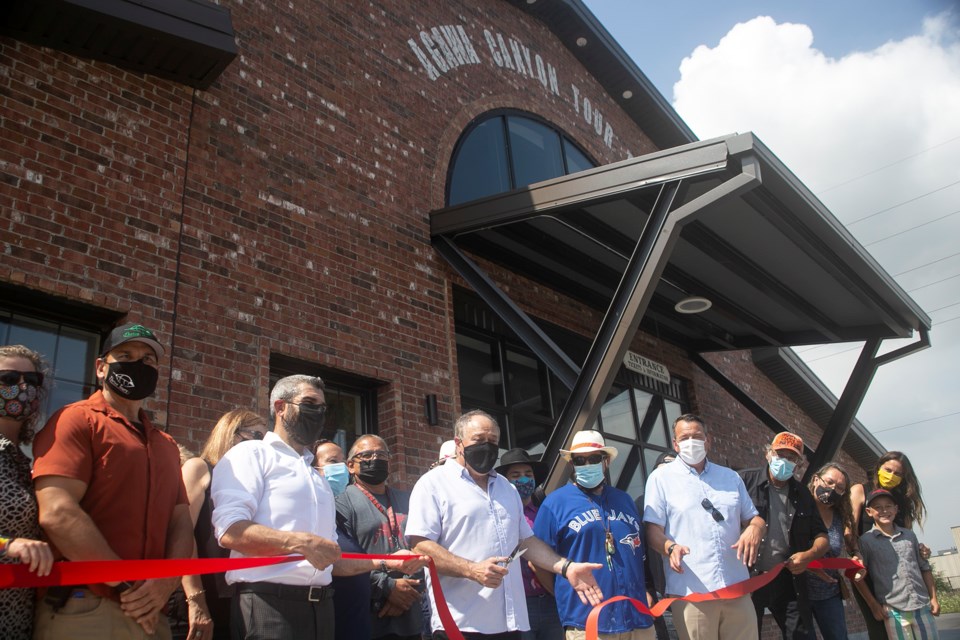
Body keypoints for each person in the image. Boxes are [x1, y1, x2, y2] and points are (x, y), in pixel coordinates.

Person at [210, 374, 426, 640]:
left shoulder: (317, 479)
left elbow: (332, 560)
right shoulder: (251, 454)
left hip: (323, 609)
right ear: (280, 407)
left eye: (323, 407)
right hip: (269, 603)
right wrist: (298, 543)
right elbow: (230, 530)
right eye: (309, 402)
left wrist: (387, 561)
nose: (318, 412)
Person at [33, 322, 194, 639]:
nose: (139, 364)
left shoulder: (166, 444)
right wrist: (123, 583)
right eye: (126, 355)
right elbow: (57, 511)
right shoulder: (75, 420)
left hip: (153, 611)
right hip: (86, 609)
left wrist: (165, 583)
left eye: (148, 360)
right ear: (100, 367)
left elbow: (180, 522)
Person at [406, 409, 606, 640]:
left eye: (493, 441)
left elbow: (526, 541)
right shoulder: (433, 484)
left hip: (510, 624)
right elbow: (420, 545)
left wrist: (566, 566)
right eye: (479, 440)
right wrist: (472, 569)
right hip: (460, 622)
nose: (487, 446)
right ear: (459, 443)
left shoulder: (507, 489)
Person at [643, 414, 765, 640]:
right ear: (675, 444)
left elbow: (754, 519)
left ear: (708, 440)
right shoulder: (660, 478)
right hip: (692, 593)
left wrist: (755, 529)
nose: (692, 441)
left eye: (697, 436)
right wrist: (670, 547)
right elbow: (652, 531)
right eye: (685, 437)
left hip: (736, 588)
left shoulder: (731, 477)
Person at [535, 431, 654, 640]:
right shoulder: (555, 503)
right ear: (572, 464)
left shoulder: (624, 500)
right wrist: (565, 594)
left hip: (637, 618)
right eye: (579, 460)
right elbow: (537, 561)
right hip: (587, 622)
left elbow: (638, 553)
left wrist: (644, 589)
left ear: (606, 461)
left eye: (594, 458)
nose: (587, 464)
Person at [179, 409, 268, 640]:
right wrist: (195, 599)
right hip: (202, 594)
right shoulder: (199, 468)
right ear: (231, 433)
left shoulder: (254, 486)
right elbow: (181, 535)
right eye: (257, 436)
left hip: (244, 600)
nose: (262, 445)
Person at [738, 432, 828, 640]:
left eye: (791, 457)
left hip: (787, 579)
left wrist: (809, 555)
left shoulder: (803, 494)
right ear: (768, 453)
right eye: (780, 454)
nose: (784, 461)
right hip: (748, 577)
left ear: (799, 463)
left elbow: (822, 536)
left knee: (802, 636)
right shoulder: (743, 481)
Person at [336, 434, 424, 640]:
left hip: (410, 615)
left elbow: (425, 545)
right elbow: (343, 557)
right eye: (366, 455)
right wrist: (388, 588)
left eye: (381, 454)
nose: (375, 459)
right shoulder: (341, 504)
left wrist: (406, 590)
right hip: (369, 616)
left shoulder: (409, 499)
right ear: (350, 466)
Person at [0, 345, 54, 639]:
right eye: (8, 379)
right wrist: (7, 545)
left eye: (32, 381)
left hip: (20, 618)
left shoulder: (26, 459)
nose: (22, 387)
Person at [848, 452, 929, 640]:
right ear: (878, 468)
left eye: (898, 473)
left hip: (900, 578)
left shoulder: (903, 501)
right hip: (868, 573)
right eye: (888, 470)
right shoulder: (860, 490)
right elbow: (849, 530)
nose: (891, 475)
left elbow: (908, 537)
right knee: (879, 629)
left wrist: (921, 550)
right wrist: (856, 554)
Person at [495, 448, 562, 640]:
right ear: (505, 481)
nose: (523, 479)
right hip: (519, 602)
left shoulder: (546, 510)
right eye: (515, 475)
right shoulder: (501, 514)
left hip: (550, 601)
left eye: (528, 474)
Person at [854, 489, 939, 640]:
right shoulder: (865, 542)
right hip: (893, 610)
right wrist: (873, 604)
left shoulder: (909, 536)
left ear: (896, 509)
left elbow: (924, 567)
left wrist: (933, 598)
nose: (884, 510)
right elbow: (858, 577)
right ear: (869, 511)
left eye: (888, 506)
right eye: (878, 507)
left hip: (922, 605)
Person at [313, 439, 373, 640]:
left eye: (342, 461)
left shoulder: (338, 517)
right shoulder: (313, 517)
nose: (341, 467)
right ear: (313, 468)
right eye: (332, 461)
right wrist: (385, 563)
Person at [804, 462, 855, 640]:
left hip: (829, 593)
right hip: (798, 593)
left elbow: (852, 548)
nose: (833, 489)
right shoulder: (797, 508)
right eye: (829, 482)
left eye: (839, 487)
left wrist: (857, 560)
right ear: (816, 479)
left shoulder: (840, 518)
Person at [635, 451, 677, 640]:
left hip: (694, 592)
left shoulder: (692, 502)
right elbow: (635, 552)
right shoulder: (642, 505)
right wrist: (645, 589)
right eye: (663, 470)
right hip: (661, 595)